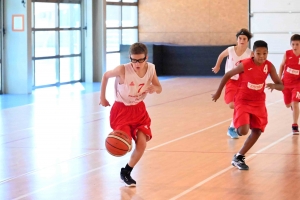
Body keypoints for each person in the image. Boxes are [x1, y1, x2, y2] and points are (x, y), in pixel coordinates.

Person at [212, 40, 283, 170]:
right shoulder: (245, 65)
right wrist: (218, 92)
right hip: (243, 100)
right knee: (243, 130)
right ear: (253, 54)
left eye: (265, 53)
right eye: (258, 53)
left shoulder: (269, 66)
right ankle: (238, 122)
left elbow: (281, 85)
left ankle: (239, 157)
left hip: (258, 102)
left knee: (257, 131)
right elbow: (228, 74)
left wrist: (274, 85)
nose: (262, 56)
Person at [100, 42, 162, 186]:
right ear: (130, 58)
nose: (137, 63)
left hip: (139, 110)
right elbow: (105, 76)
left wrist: (155, 89)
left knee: (142, 144)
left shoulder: (151, 69)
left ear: (146, 57)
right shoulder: (123, 70)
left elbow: (159, 87)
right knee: (122, 142)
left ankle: (126, 171)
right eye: (133, 60)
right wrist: (102, 97)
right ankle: (124, 160)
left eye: (140, 60)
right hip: (121, 110)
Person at [212, 28, 253, 139]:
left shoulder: (250, 53)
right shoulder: (230, 50)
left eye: (244, 38)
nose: (242, 40)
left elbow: (255, 65)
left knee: (239, 105)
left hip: (243, 83)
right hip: (230, 80)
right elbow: (221, 56)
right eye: (240, 38)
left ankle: (231, 128)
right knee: (232, 105)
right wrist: (217, 66)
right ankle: (237, 122)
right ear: (237, 39)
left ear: (247, 41)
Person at [278, 34, 300, 135]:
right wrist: (278, 78)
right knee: (288, 104)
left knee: (295, 102)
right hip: (286, 82)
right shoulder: (287, 54)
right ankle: (291, 105)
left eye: (297, 44)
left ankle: (295, 125)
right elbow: (282, 65)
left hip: (297, 83)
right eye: (293, 44)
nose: (295, 46)